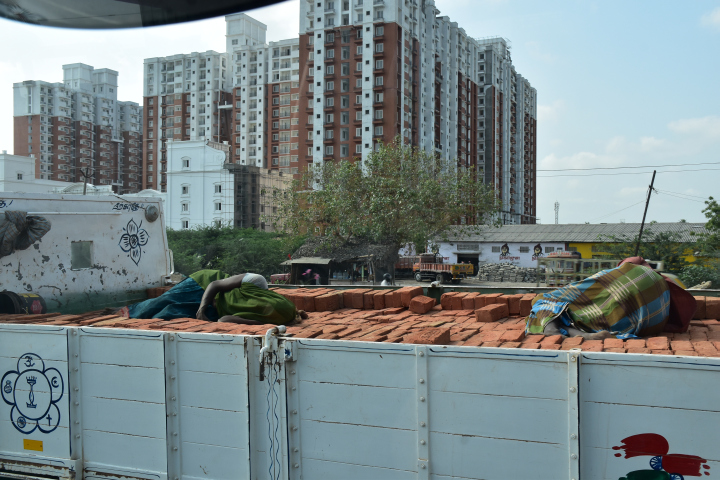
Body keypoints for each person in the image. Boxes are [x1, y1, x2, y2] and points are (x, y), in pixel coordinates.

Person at [525, 257, 696, 339]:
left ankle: (554, 327)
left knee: (543, 299)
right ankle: (573, 330)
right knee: (599, 307)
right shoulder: (664, 284)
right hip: (651, 317)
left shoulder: (631, 268)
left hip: (630, 302)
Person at [119, 270, 300, 325]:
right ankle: (123, 313)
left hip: (216, 309)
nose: (259, 308)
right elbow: (215, 285)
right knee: (164, 301)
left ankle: (138, 323)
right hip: (203, 286)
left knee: (168, 314)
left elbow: (225, 319)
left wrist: (207, 320)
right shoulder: (256, 281)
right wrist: (202, 308)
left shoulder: (267, 321)